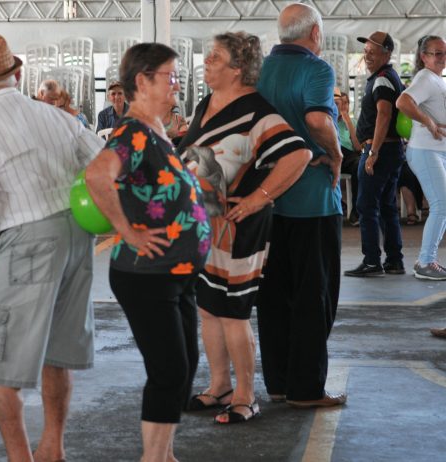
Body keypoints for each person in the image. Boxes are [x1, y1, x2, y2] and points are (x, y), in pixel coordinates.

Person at [0, 32, 103, 462]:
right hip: (76, 233)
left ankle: (21, 458)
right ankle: (53, 447)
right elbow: (104, 163)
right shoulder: (57, 117)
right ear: (17, 75)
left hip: (26, 239)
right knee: (57, 350)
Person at [85, 42, 210, 460]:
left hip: (176, 273)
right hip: (148, 275)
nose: (177, 84)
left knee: (184, 367)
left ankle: (165, 454)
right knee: (169, 371)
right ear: (142, 80)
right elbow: (97, 176)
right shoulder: (132, 132)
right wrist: (129, 231)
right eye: (170, 76)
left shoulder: (155, 130)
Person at [178, 32, 311, 424]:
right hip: (205, 224)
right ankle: (220, 385)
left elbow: (299, 154)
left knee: (233, 312)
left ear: (237, 68)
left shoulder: (258, 113)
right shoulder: (206, 104)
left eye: (215, 57)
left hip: (239, 227)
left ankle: (246, 396)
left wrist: (258, 198)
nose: (206, 62)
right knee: (208, 308)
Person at [256, 3, 347, 408]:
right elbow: (316, 120)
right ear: (314, 34)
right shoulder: (317, 69)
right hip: (312, 199)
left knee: (274, 295)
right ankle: (306, 389)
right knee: (314, 295)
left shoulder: (260, 71)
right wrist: (336, 154)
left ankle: (278, 382)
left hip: (268, 198)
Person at [345, 31, 406, 277]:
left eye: (373, 52)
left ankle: (372, 261)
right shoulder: (388, 76)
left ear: (387, 54)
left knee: (366, 205)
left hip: (380, 150)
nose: (367, 56)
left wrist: (373, 152)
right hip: (391, 150)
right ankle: (394, 260)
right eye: (366, 51)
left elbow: (384, 115)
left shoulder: (382, 80)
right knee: (387, 205)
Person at [396, 35, 446, 280]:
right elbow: (403, 101)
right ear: (423, 56)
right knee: (441, 204)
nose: (442, 58)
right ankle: (426, 262)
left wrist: (435, 122)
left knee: (443, 205)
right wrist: (428, 122)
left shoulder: (437, 79)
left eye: (444, 53)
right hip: (425, 151)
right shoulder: (425, 78)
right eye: (437, 53)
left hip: (437, 150)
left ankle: (427, 260)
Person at [335, 89, 361, 225]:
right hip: (332, 154)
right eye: (340, 103)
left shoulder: (353, 122)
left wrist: (349, 123)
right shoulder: (328, 120)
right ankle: (337, 204)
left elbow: (358, 147)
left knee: (359, 165)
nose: (343, 107)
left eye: (346, 103)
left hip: (349, 156)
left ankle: (356, 211)